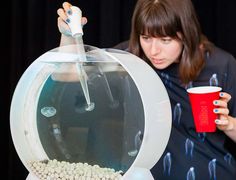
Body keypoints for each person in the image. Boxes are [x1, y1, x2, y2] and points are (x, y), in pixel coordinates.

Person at [57, 0, 236, 179]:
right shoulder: (128, 58)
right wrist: (68, 35)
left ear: (186, 33)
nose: (154, 50)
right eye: (146, 38)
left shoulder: (221, 65)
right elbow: (66, 75)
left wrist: (228, 124)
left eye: (165, 40)